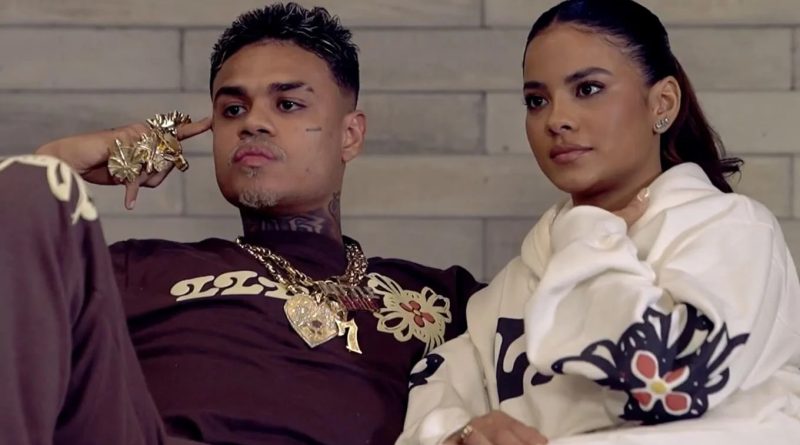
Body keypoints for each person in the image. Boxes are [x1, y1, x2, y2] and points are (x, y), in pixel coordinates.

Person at [0, 3, 484, 444]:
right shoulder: (139, 269)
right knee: (29, 187)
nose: (252, 123)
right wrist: (56, 163)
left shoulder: (443, 299)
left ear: (350, 135)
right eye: (232, 109)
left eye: (287, 104)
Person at [397, 1, 800, 444]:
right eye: (536, 101)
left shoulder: (734, 232)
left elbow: (673, 382)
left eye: (588, 89)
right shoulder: (516, 282)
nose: (556, 120)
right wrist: (461, 433)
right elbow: (435, 391)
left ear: (662, 103)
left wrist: (588, 236)